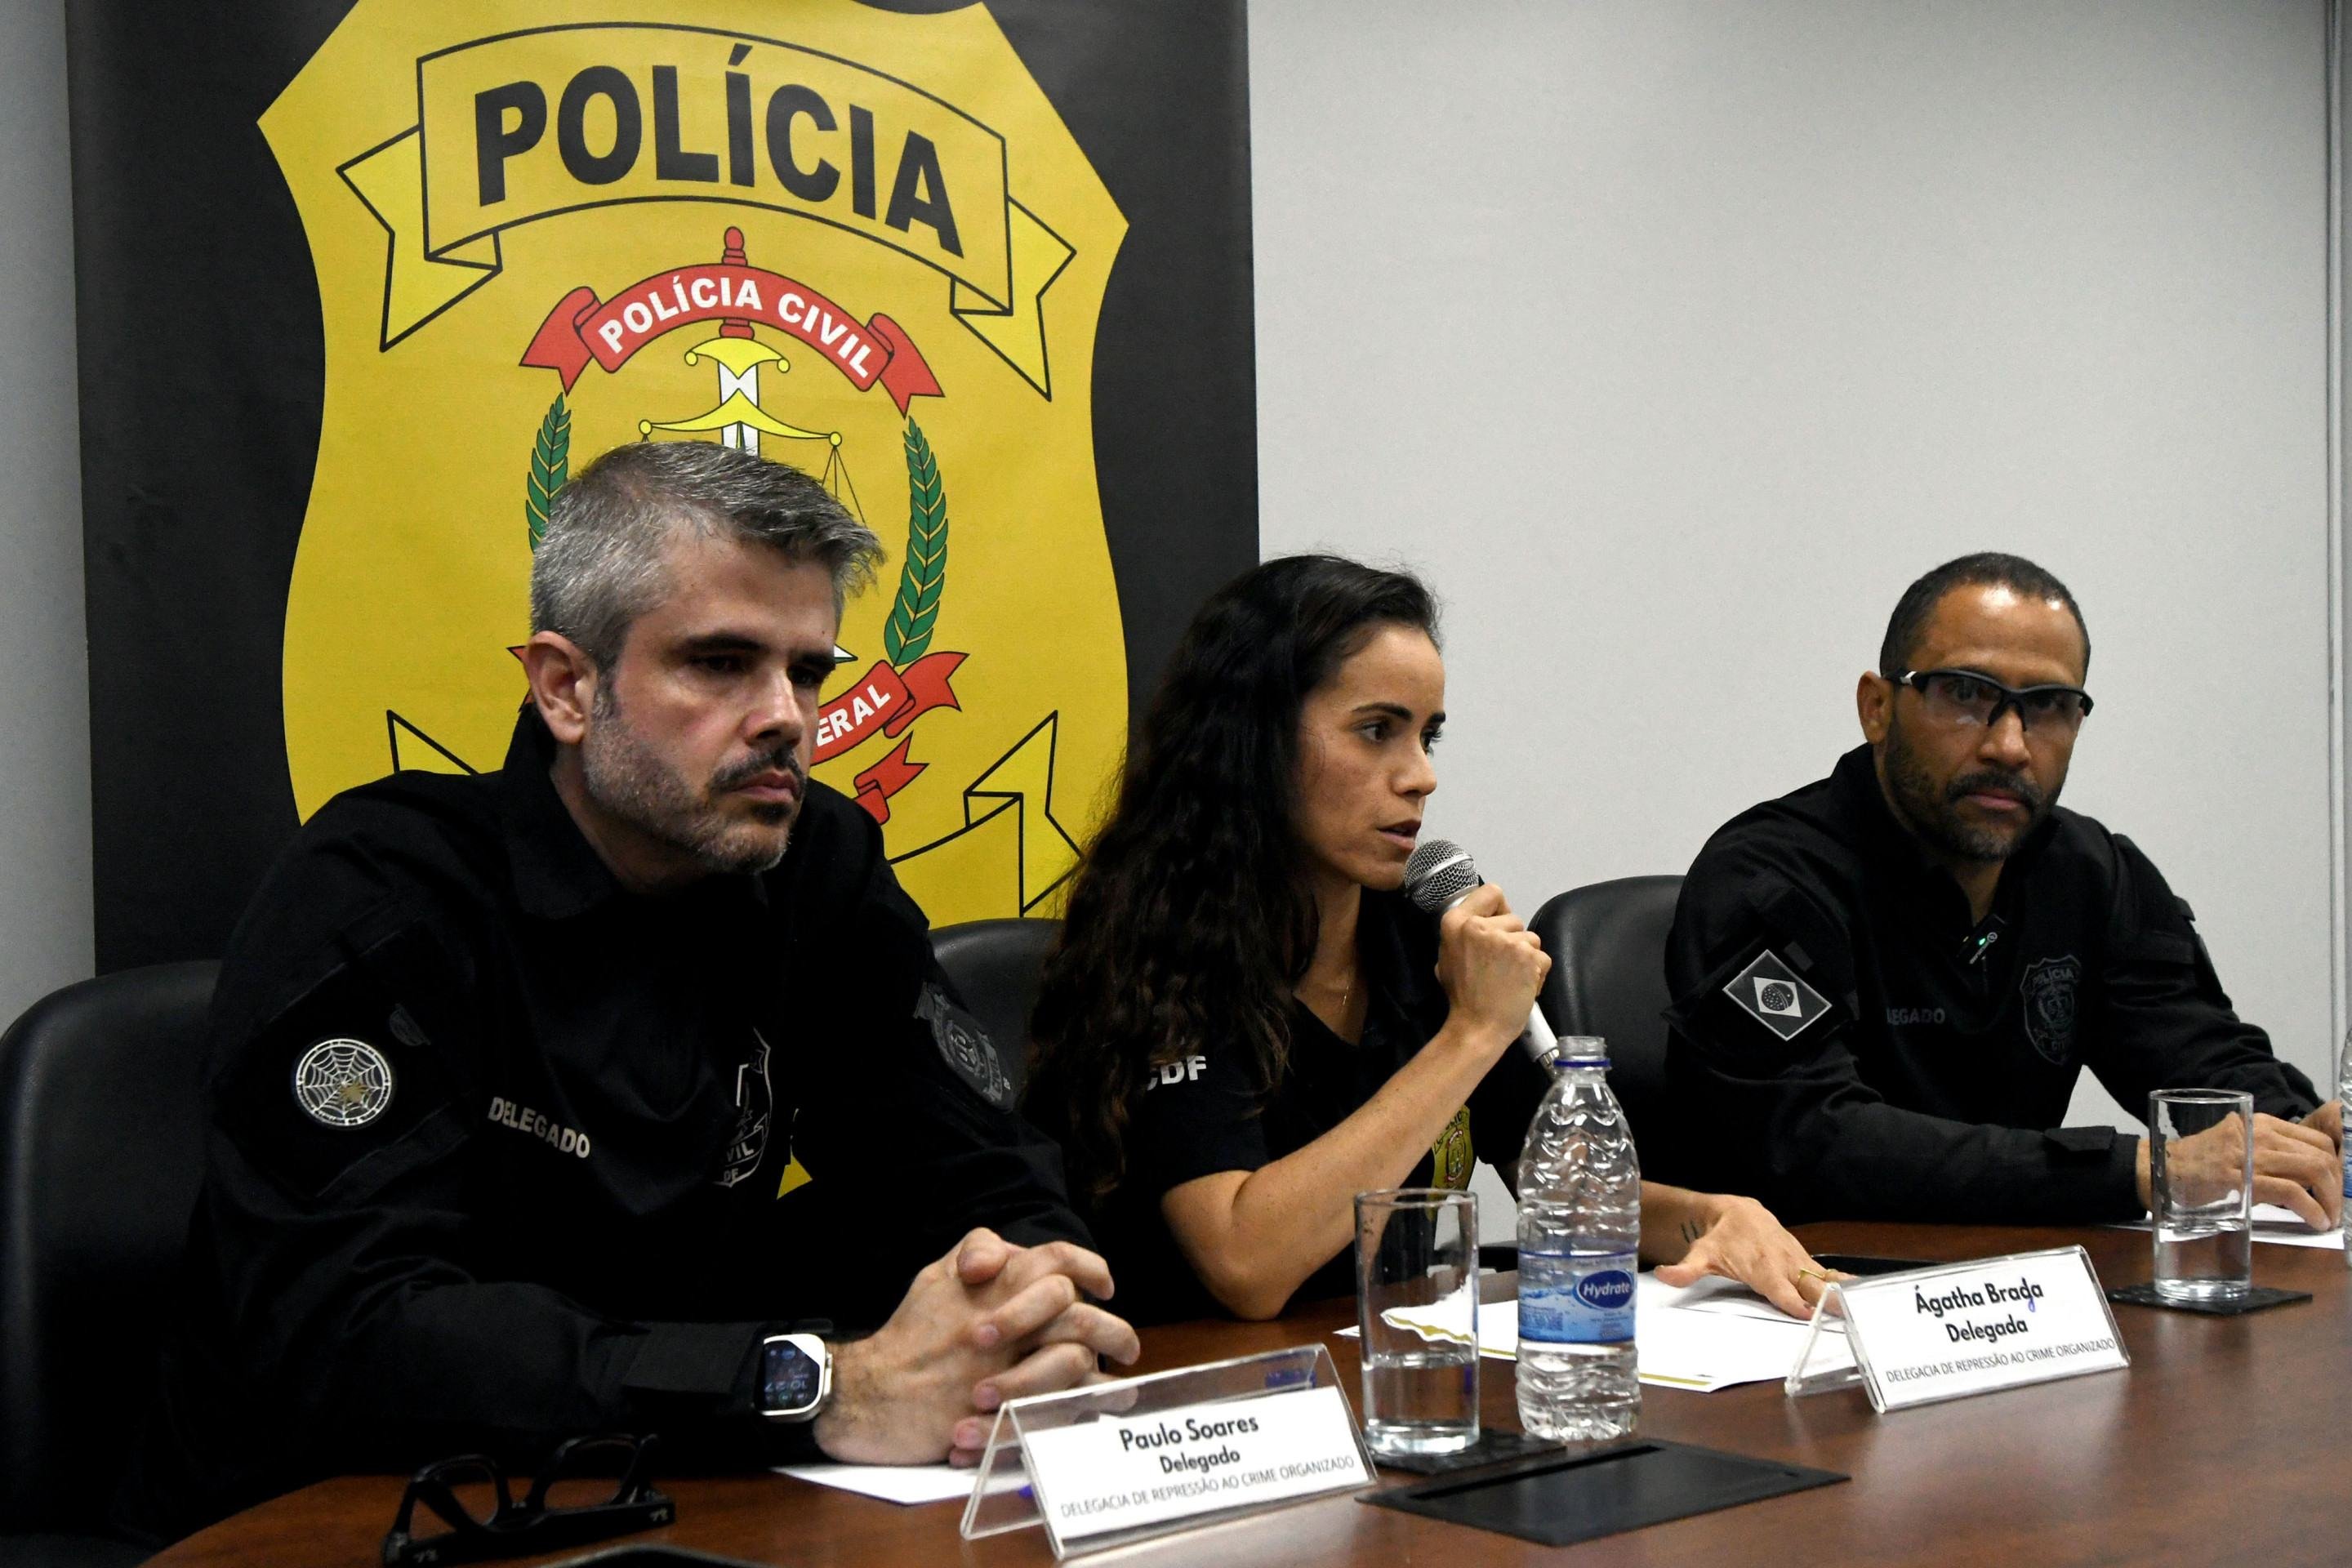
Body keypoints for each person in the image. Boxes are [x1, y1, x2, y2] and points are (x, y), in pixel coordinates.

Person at [118, 442, 1136, 1544]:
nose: (786, 717)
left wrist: (1027, 1312)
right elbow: (356, 1335)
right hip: (344, 1515)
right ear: (567, 687)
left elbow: (974, 1168)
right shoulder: (380, 892)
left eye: (806, 671)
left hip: (678, 1489)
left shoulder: (815, 864)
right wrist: (811, 1386)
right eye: (720, 664)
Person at [1024, 555, 1831, 1328]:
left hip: (1396, 1377)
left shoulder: (1424, 939)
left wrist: (1713, 1218)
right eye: (1376, 731)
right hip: (1204, 1416)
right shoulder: (1165, 951)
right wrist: (1472, 1034)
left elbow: (1565, 1202)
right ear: (1256, 739)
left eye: (1426, 736)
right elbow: (1247, 1266)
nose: (1420, 776)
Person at [1664, 551, 2341, 1227]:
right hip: (1790, 1296)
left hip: (2020, 1294)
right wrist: (2139, 1169)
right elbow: (1814, 1143)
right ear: (1877, 707)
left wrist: (2300, 1131)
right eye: (1966, 694)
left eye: (2047, 706)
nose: (2010, 746)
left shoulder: (2091, 873)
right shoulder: (1767, 879)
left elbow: (2196, 1054)